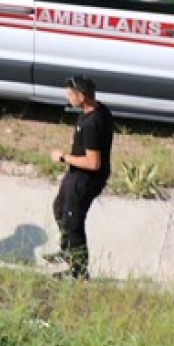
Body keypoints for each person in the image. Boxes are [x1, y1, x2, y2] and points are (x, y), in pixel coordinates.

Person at [47, 75, 114, 280]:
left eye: (70, 94)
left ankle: (78, 272)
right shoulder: (97, 109)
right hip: (76, 174)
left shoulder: (92, 123)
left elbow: (94, 163)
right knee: (59, 208)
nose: (68, 97)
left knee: (73, 222)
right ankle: (67, 251)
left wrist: (63, 158)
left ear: (82, 96)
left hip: (87, 179)